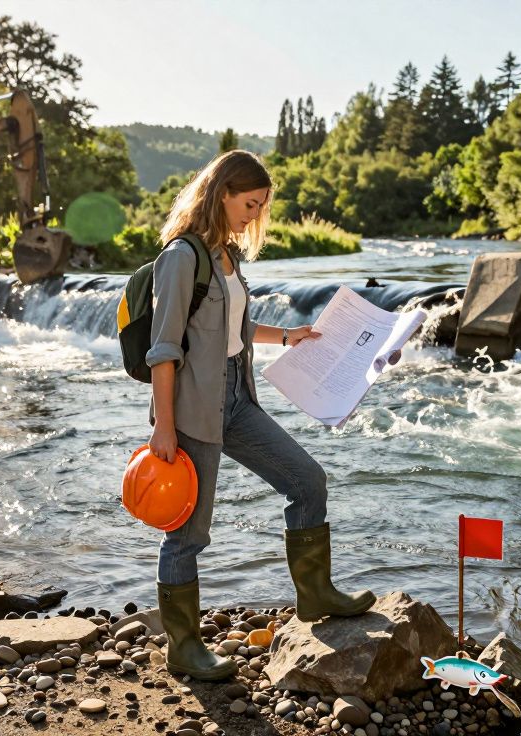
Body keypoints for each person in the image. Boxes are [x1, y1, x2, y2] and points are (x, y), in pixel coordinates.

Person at [145, 150, 375, 681]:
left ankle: (316, 595)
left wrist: (289, 336)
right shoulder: (181, 257)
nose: (254, 215)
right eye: (250, 204)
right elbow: (164, 349)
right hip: (191, 408)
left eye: (261, 206)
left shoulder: (227, 255)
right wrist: (164, 424)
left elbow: (231, 328)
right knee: (187, 533)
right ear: (222, 193)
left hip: (238, 399)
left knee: (307, 480)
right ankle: (184, 646)